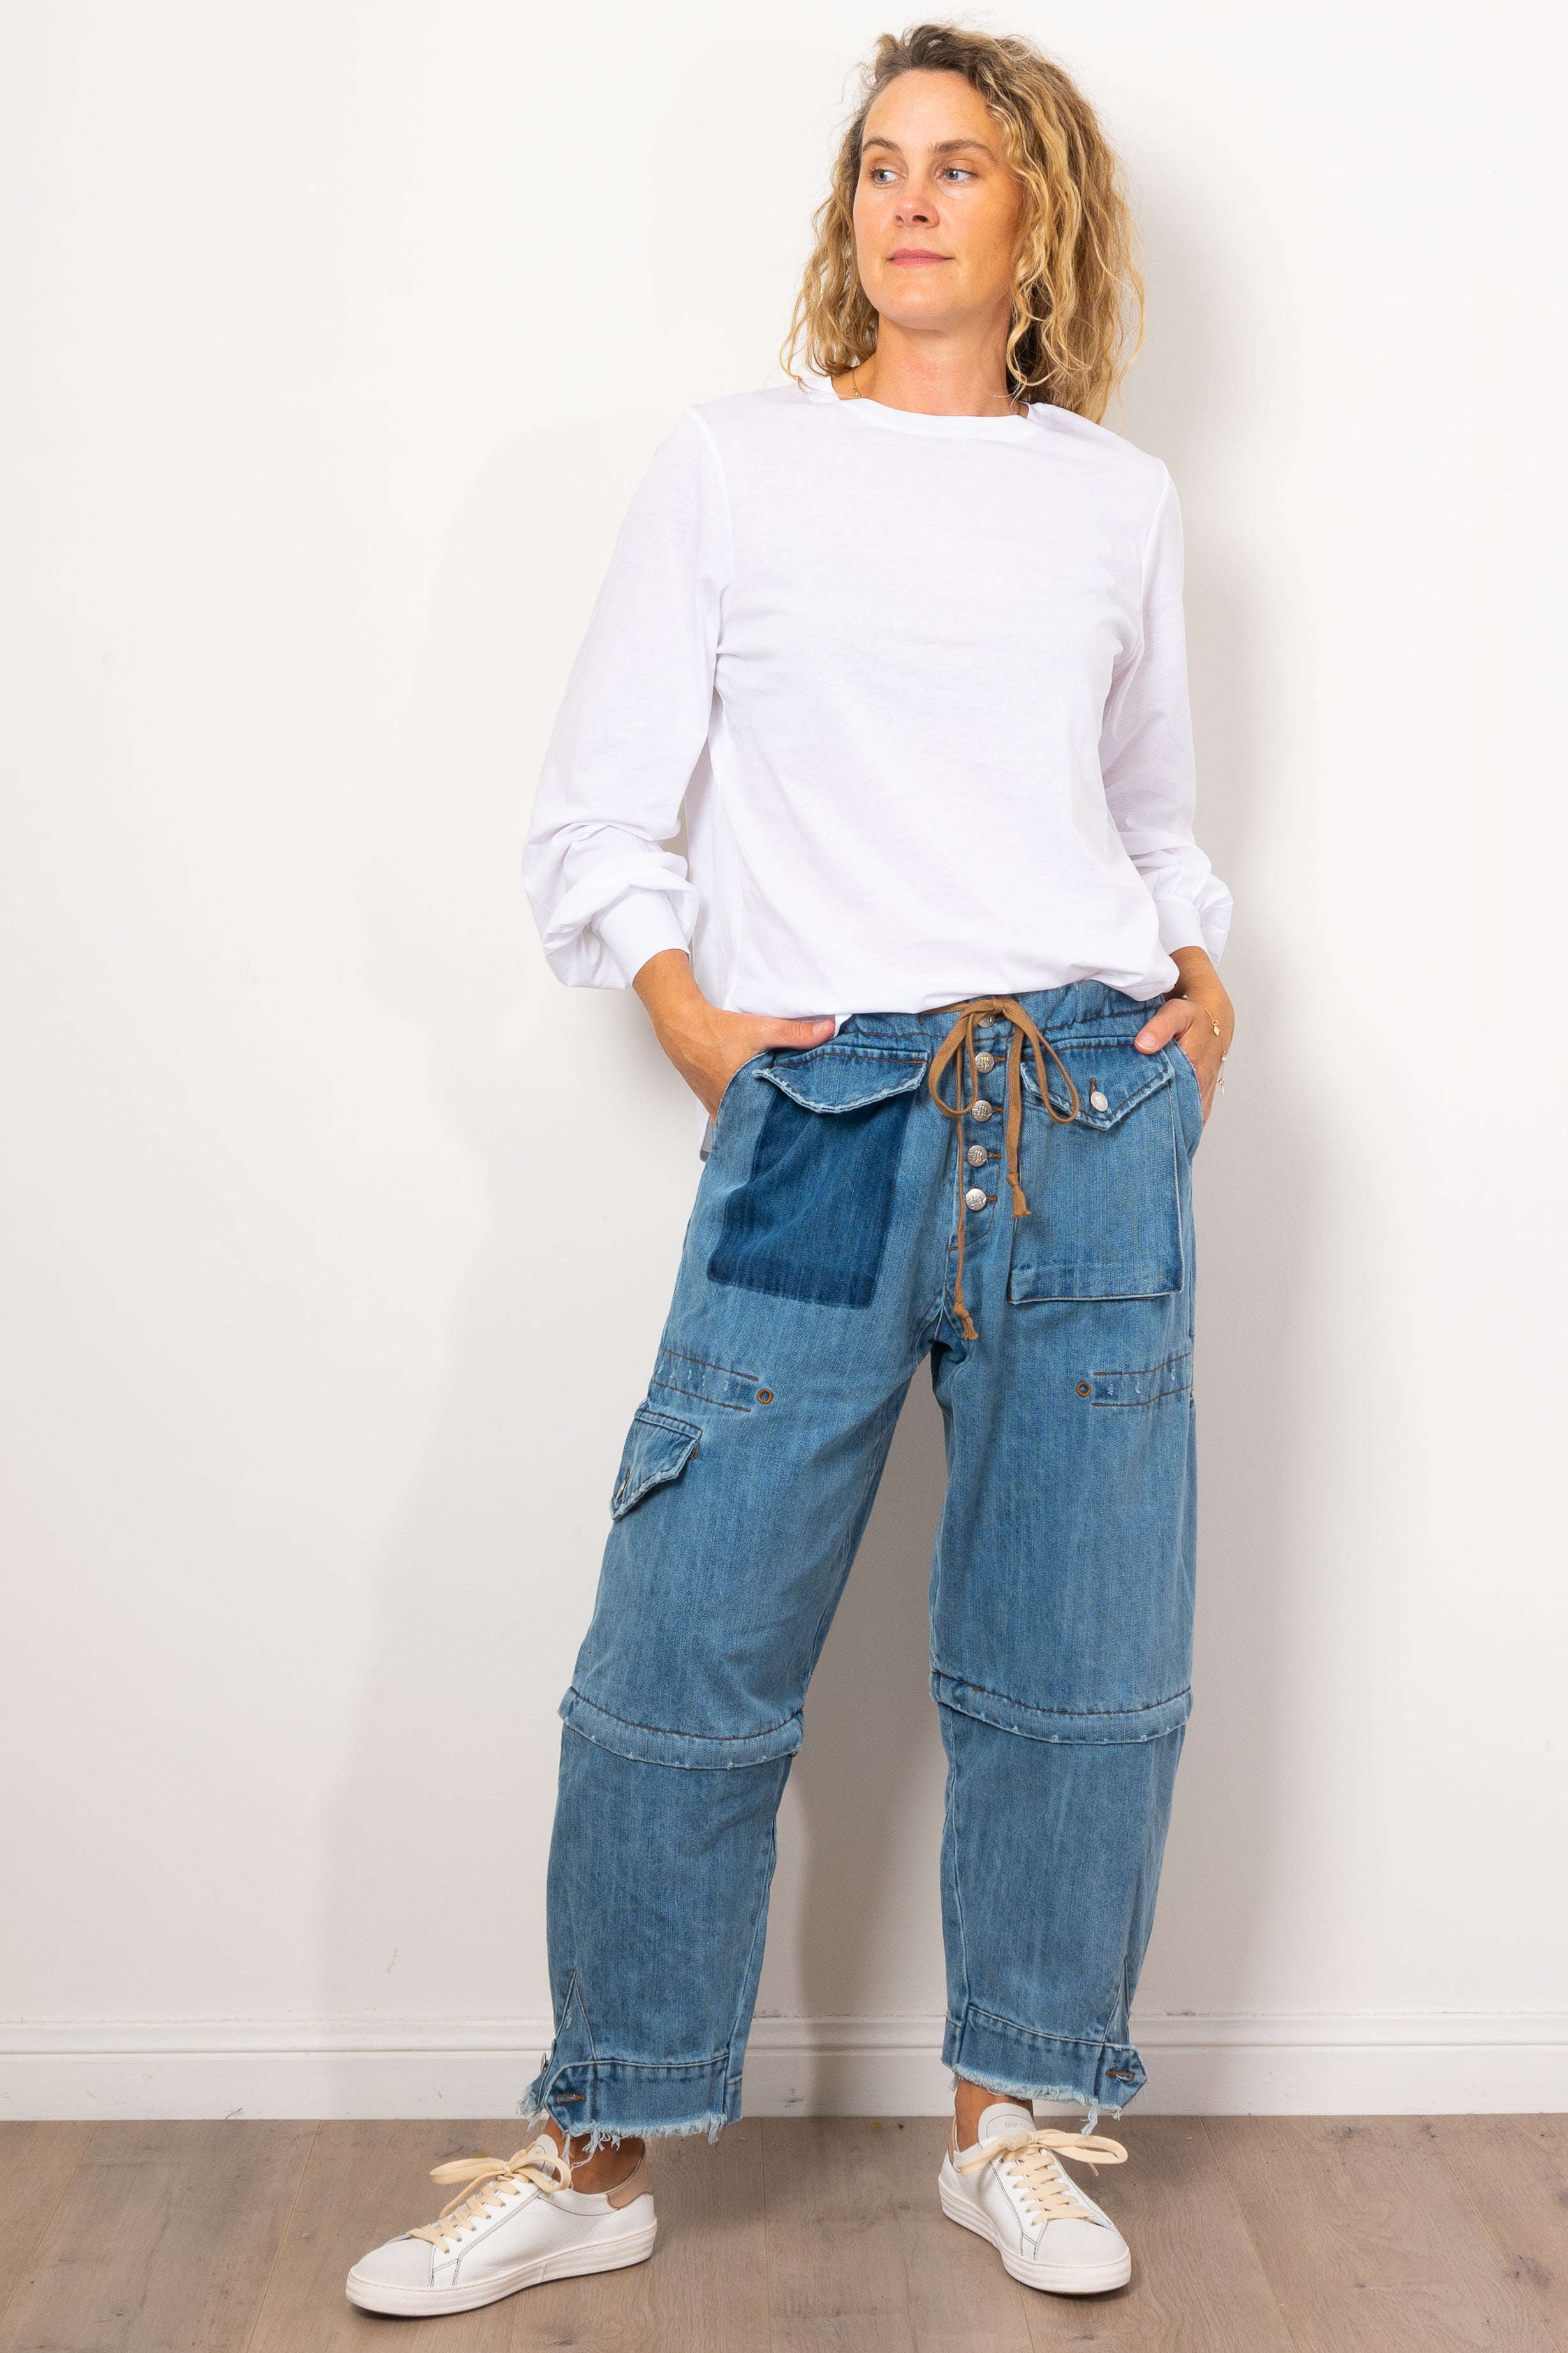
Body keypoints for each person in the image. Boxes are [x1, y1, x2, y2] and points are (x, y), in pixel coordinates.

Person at [347, 19, 1234, 2319]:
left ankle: (1012, 2121)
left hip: (1082, 1105)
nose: (907, 199)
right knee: (679, 1653)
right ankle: (597, 2143)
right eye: (878, 165)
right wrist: (678, 1002)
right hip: (820, 1109)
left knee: (1074, 1662)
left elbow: (1146, 808)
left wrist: (1201, 962)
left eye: (958, 165)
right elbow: (596, 805)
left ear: (1038, 215)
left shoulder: (1114, 502)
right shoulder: (736, 465)